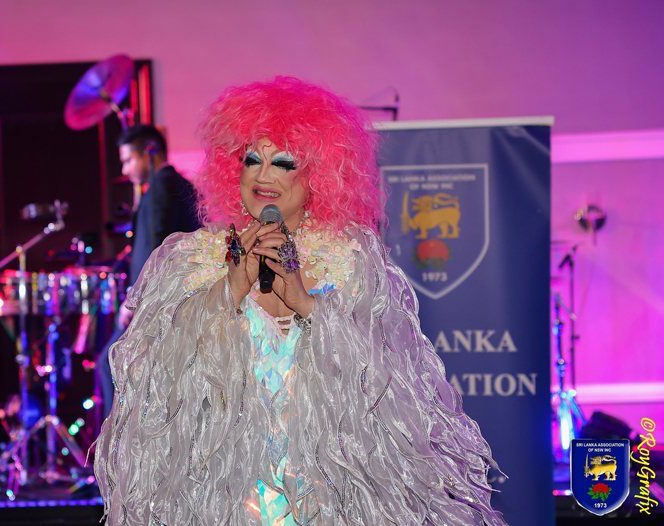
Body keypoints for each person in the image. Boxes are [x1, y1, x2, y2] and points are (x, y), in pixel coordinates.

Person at [93, 78, 505, 525]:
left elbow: (387, 384)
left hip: (326, 497)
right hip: (224, 498)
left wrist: (307, 307)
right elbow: (153, 384)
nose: (262, 176)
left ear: (318, 175)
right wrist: (227, 293)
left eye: (283, 163)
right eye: (252, 160)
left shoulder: (348, 260)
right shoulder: (194, 259)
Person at [95, 125, 201, 418]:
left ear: (149, 152)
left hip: (158, 300)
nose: (124, 169)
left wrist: (134, 297)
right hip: (171, 300)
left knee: (111, 363)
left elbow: (157, 249)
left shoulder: (162, 187)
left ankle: (118, 444)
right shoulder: (175, 185)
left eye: (129, 160)